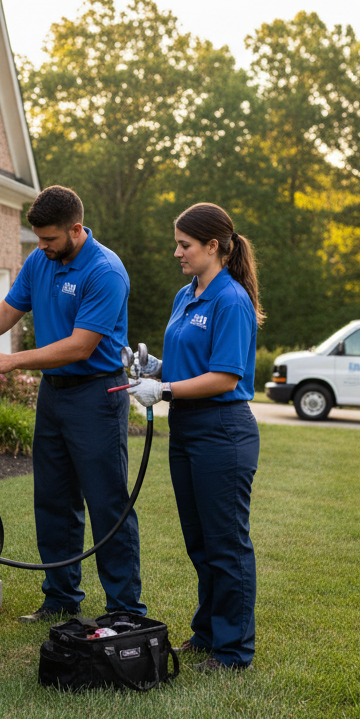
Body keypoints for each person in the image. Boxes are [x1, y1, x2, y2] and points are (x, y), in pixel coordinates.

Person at [0, 185, 145, 622]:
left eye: (50, 239)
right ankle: (60, 599)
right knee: (52, 499)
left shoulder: (105, 271)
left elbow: (80, 346)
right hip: (55, 396)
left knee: (107, 502)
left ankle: (124, 608)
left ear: (75, 229)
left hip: (97, 395)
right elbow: (9, 310)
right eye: (38, 239)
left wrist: (12, 360)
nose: (43, 247)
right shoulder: (40, 261)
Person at [128, 202, 261, 670]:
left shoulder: (231, 300)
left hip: (222, 431)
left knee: (226, 543)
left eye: (185, 245)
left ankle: (234, 651)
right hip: (186, 428)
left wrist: (161, 388)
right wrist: (157, 371)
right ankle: (207, 634)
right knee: (200, 542)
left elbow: (226, 377)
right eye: (177, 243)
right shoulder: (186, 295)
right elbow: (192, 366)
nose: (177, 252)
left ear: (213, 246)